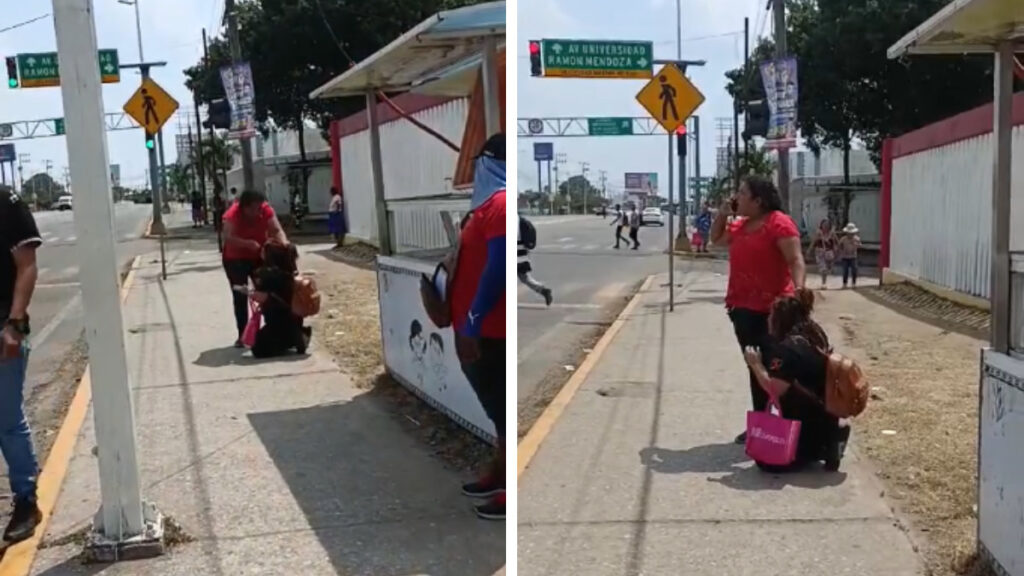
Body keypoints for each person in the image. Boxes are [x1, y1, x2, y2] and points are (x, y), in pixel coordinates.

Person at [709, 175, 806, 444]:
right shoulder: (740, 225)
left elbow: (796, 259)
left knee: (776, 367)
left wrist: (799, 292)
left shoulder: (779, 223)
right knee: (754, 365)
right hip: (742, 308)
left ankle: (786, 423)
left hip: (775, 310)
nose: (737, 197)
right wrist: (722, 214)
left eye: (742, 193)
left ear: (758, 200)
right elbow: (715, 239)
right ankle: (761, 422)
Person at [451, 133, 506, 521]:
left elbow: (498, 267)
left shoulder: (500, 204)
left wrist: (471, 321)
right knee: (497, 413)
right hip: (477, 329)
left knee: (502, 411)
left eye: (477, 163)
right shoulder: (485, 207)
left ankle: (508, 494)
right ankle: (498, 474)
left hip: (491, 331)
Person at [742, 289, 851, 471]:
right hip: (822, 422)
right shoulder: (816, 335)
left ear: (779, 321)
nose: (768, 321)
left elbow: (774, 389)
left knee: (764, 463)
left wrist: (755, 364)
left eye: (771, 317)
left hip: (800, 433)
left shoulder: (787, 350)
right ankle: (824, 447)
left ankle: (799, 452)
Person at [0, 189, 44, 543]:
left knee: (7, 420)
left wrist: (14, 324)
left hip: (2, 330)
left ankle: (26, 500)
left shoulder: (4, 202)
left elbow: (27, 265)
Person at [222, 190, 288, 347]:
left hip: (258, 257)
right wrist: (247, 243)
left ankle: (272, 329)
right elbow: (227, 237)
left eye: (259, 208)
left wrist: (284, 245)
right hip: (235, 259)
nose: (258, 212)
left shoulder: (265, 210)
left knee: (265, 292)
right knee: (240, 296)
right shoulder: (233, 214)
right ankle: (242, 335)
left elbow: (276, 230)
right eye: (253, 209)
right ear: (243, 208)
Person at [250, 242, 311, 358]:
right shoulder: (288, 274)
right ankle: (296, 335)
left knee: (259, 348)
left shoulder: (267, 275)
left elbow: (264, 296)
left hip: (277, 320)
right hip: (293, 319)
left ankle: (292, 338)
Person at [517, 213, 553, 306]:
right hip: (522, 253)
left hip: (517, 252)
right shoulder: (520, 219)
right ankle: (543, 290)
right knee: (524, 277)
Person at [809, 218, 839, 289]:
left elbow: (837, 242)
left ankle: (830, 268)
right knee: (823, 268)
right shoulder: (819, 233)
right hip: (820, 252)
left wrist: (837, 248)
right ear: (821, 225)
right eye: (824, 225)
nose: (825, 226)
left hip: (829, 252)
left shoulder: (832, 233)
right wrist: (809, 250)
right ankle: (824, 283)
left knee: (828, 265)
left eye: (827, 225)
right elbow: (813, 242)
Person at [838, 222, 862, 288]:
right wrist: (841, 251)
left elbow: (860, 245)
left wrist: (856, 245)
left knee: (854, 270)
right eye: (849, 233)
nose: (850, 235)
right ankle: (845, 283)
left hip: (853, 257)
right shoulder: (843, 239)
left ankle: (854, 283)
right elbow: (839, 245)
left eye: (852, 233)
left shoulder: (856, 239)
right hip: (845, 257)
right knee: (845, 270)